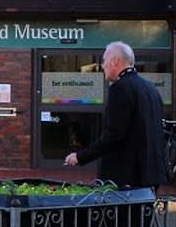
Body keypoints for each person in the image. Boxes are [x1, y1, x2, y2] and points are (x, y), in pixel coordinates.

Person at [64, 41, 165, 189]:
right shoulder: (150, 89)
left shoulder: (120, 88)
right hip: (150, 176)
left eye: (104, 60)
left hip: (127, 178)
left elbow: (113, 135)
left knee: (124, 214)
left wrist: (80, 157)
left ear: (114, 61)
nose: (102, 65)